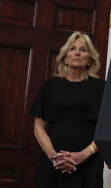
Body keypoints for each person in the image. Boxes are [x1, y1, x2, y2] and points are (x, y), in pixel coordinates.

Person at [29, 31, 105, 187]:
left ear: (90, 59)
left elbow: (108, 129)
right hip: (53, 162)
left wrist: (84, 155)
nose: (77, 52)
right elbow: (38, 127)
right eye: (72, 49)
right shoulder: (50, 86)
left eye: (83, 50)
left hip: (89, 163)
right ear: (65, 57)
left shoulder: (102, 88)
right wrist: (54, 157)